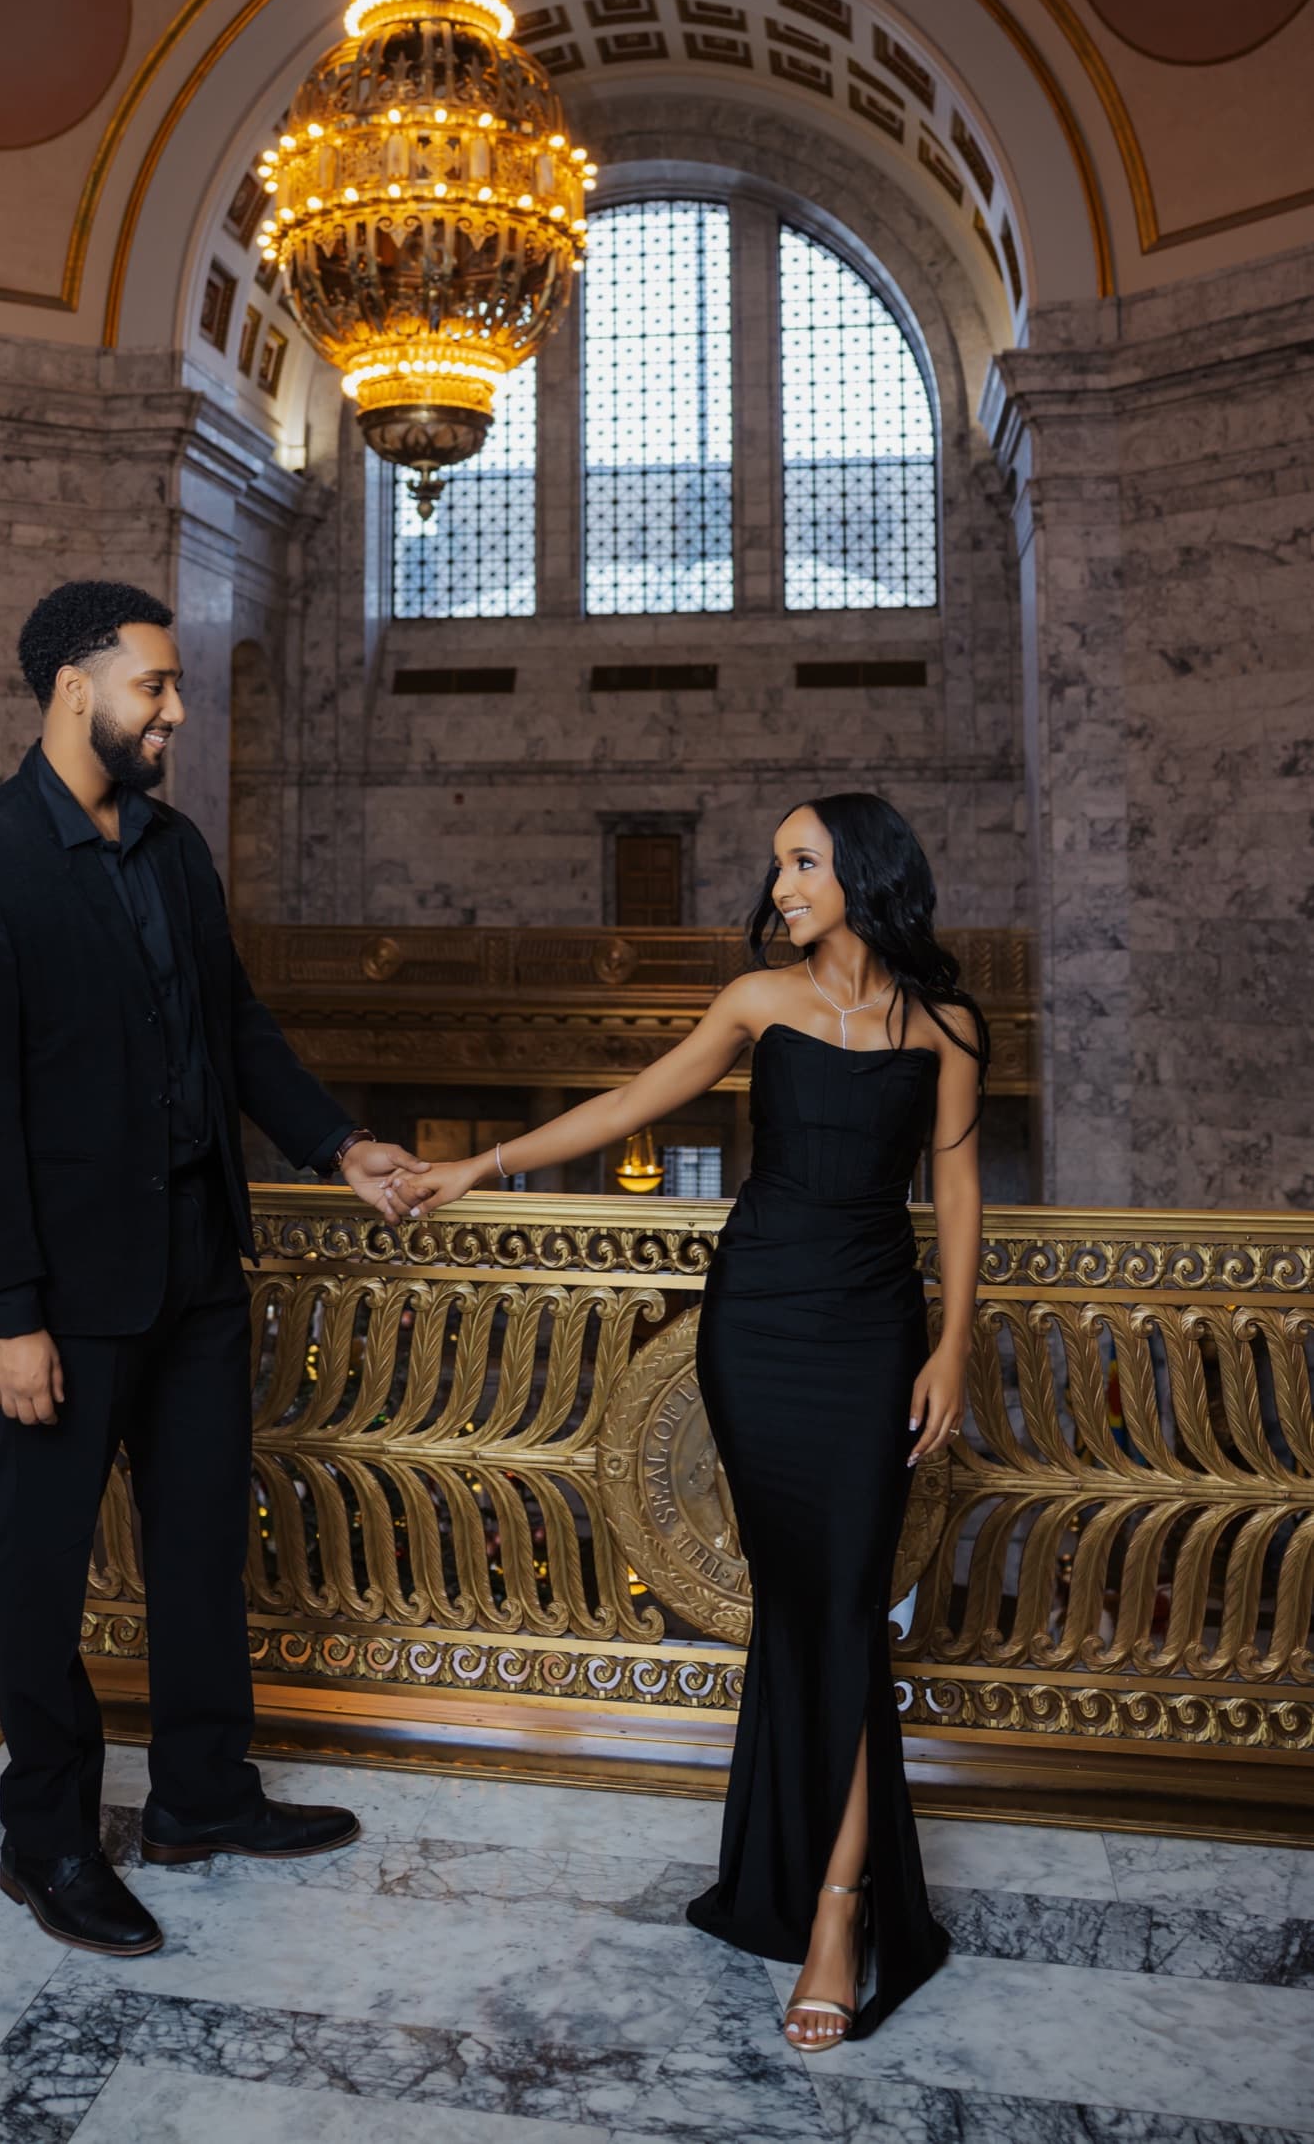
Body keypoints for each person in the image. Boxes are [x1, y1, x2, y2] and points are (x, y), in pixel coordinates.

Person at [402, 793, 984, 2046]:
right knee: (803, 1604)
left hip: (872, 1336)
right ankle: (807, 1885)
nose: (778, 884)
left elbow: (954, 1183)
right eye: (775, 865)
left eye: (802, 861)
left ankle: (834, 1908)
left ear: (864, 872)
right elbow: (627, 1105)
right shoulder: (753, 1002)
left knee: (839, 1608)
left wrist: (950, 1344)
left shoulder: (945, 1026)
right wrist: (473, 1167)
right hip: (756, 1328)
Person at [0, 579, 427, 1957]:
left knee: (201, 1551)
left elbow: (236, 1026)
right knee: (40, 1572)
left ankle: (200, 1798)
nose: (176, 712)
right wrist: (6, 1315)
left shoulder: (176, 849)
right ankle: (51, 1842)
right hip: (65, 1302)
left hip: (199, 1268)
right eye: (156, 687)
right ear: (74, 690)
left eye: (174, 688)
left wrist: (338, 1145)